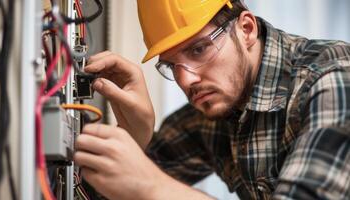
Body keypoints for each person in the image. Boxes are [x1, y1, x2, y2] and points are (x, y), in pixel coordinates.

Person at [73, 0, 350, 199]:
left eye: (199, 49)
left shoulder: (333, 78)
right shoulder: (208, 115)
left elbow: (147, 185)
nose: (185, 80)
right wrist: (135, 135)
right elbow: (101, 191)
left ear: (246, 29)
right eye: (171, 66)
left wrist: (156, 188)